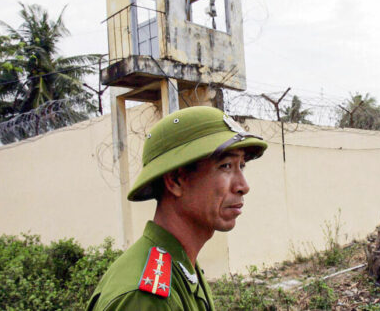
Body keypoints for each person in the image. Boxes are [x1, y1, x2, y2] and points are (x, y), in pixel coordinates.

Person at [86, 106, 268, 311]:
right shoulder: (146, 298)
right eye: (226, 166)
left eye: (241, 166)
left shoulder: (181, 266)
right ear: (175, 181)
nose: (243, 186)